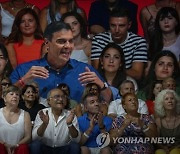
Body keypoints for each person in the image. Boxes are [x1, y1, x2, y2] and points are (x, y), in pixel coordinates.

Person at [10, 21, 112, 104]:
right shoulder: (25, 70)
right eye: (61, 41)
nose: (68, 46)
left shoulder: (84, 70)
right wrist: (23, 81)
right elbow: (4, 100)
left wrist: (101, 85)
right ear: (47, 43)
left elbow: (108, 101)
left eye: (71, 41)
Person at [91, 8, 148, 81]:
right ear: (109, 24)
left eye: (121, 26)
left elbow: (137, 74)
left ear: (129, 25)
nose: (117, 30)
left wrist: (113, 68)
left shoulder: (138, 41)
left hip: (128, 82)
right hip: (104, 81)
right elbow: (97, 70)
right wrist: (119, 68)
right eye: (113, 25)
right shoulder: (99, 39)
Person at [32, 88, 81, 154]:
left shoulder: (70, 115)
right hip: (46, 148)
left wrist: (70, 124)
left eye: (63, 97)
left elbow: (77, 140)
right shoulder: (42, 113)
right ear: (49, 101)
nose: (61, 99)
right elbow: (35, 138)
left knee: (75, 146)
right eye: (57, 97)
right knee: (35, 145)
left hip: (63, 149)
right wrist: (44, 124)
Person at [0, 85, 32, 154]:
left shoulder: (25, 114)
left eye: (17, 94)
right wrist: (5, 145)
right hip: (2, 147)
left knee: (23, 147)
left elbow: (28, 137)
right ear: (4, 98)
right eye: (11, 94)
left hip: (18, 148)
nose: (15, 96)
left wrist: (16, 145)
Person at [154, 89, 180, 154]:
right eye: (166, 99)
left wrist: (175, 147)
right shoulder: (158, 121)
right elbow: (156, 140)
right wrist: (163, 148)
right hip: (163, 150)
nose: (170, 101)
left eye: (172, 98)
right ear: (161, 103)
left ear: (176, 102)